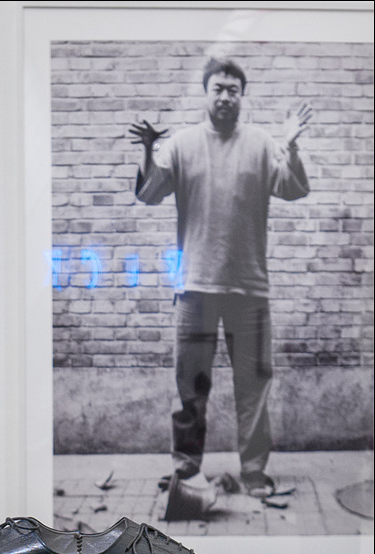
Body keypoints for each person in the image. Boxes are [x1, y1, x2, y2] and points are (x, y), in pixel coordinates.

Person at [130, 57, 312, 499]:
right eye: (219, 88)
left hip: (250, 289)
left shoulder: (262, 143)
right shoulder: (182, 143)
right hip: (195, 289)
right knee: (189, 389)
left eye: (234, 89)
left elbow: (294, 188)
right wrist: (147, 151)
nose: (226, 96)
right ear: (206, 93)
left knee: (254, 389)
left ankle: (253, 475)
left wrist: (292, 146)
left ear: (241, 96)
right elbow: (149, 194)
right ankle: (186, 470)